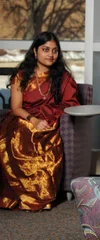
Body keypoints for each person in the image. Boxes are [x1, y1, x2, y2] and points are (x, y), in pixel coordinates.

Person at [0, 31, 79, 211]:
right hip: (24, 118)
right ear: (35, 52)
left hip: (49, 120)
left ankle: (39, 194)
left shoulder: (63, 77)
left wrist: (48, 114)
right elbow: (16, 107)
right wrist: (33, 119)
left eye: (55, 50)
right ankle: (20, 193)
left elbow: (71, 103)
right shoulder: (21, 76)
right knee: (17, 136)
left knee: (45, 136)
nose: (51, 54)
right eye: (45, 49)